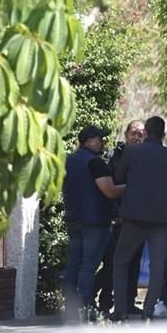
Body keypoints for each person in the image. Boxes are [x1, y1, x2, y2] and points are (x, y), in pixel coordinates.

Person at [111, 117, 167, 322]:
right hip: (161, 219)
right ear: (163, 134)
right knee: (158, 266)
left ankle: (120, 309)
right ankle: (148, 310)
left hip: (134, 217)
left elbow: (118, 177)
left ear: (146, 131)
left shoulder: (132, 152)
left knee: (120, 261)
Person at [61, 125, 123, 322]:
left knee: (75, 264)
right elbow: (110, 191)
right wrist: (133, 185)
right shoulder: (95, 163)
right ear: (87, 141)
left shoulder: (68, 161)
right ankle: (86, 306)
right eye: (99, 139)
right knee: (92, 265)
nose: (103, 142)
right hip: (95, 222)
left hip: (73, 219)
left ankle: (71, 306)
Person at [95, 120, 146, 316]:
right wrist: (116, 214)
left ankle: (128, 302)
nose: (137, 136)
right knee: (114, 263)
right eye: (134, 132)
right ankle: (104, 299)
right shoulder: (115, 156)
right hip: (119, 218)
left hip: (139, 217)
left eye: (141, 133)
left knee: (134, 263)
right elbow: (109, 188)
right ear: (126, 134)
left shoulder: (145, 157)